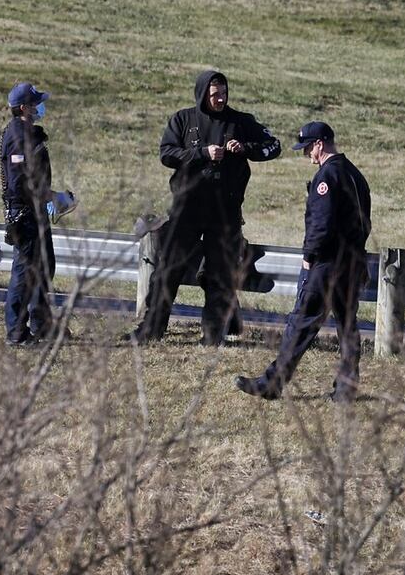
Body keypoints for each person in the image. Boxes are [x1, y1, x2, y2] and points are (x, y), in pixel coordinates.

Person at [131, 69, 281, 345]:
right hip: (187, 209)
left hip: (225, 213)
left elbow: (274, 146)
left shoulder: (240, 121)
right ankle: (151, 328)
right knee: (169, 269)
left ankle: (213, 334)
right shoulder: (183, 119)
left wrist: (245, 148)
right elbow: (167, 154)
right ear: (202, 94)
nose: (220, 100)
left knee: (220, 274)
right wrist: (202, 153)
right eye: (215, 95)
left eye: (224, 93)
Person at [236, 121, 371, 402]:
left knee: (300, 324)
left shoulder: (327, 178)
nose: (306, 154)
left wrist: (309, 257)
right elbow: (364, 223)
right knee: (347, 326)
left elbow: (320, 225)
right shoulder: (355, 174)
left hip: (327, 265)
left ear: (320, 144)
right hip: (352, 263)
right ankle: (346, 389)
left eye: (308, 147)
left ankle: (272, 383)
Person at [0, 82, 55, 346]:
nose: (39, 107)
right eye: (35, 103)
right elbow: (20, 182)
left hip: (37, 211)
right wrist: (48, 196)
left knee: (45, 266)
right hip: (26, 213)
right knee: (24, 272)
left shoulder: (28, 134)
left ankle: (42, 324)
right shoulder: (18, 137)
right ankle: (17, 333)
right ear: (23, 108)